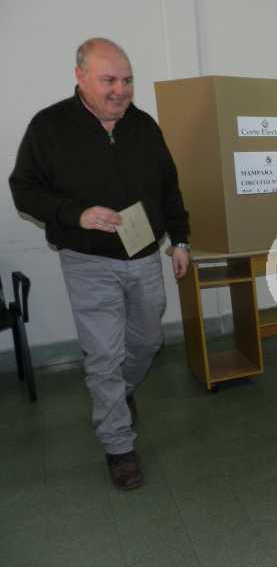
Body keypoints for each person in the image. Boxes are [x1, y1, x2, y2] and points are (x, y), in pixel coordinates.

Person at [9, 38, 190, 490]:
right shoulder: (49, 126)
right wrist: (76, 214)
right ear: (80, 77)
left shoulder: (144, 127)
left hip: (143, 255)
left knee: (148, 341)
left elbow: (169, 187)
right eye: (109, 80)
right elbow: (23, 189)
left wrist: (180, 240)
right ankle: (119, 446)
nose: (120, 90)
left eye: (127, 80)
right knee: (104, 355)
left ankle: (119, 393)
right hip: (87, 259)